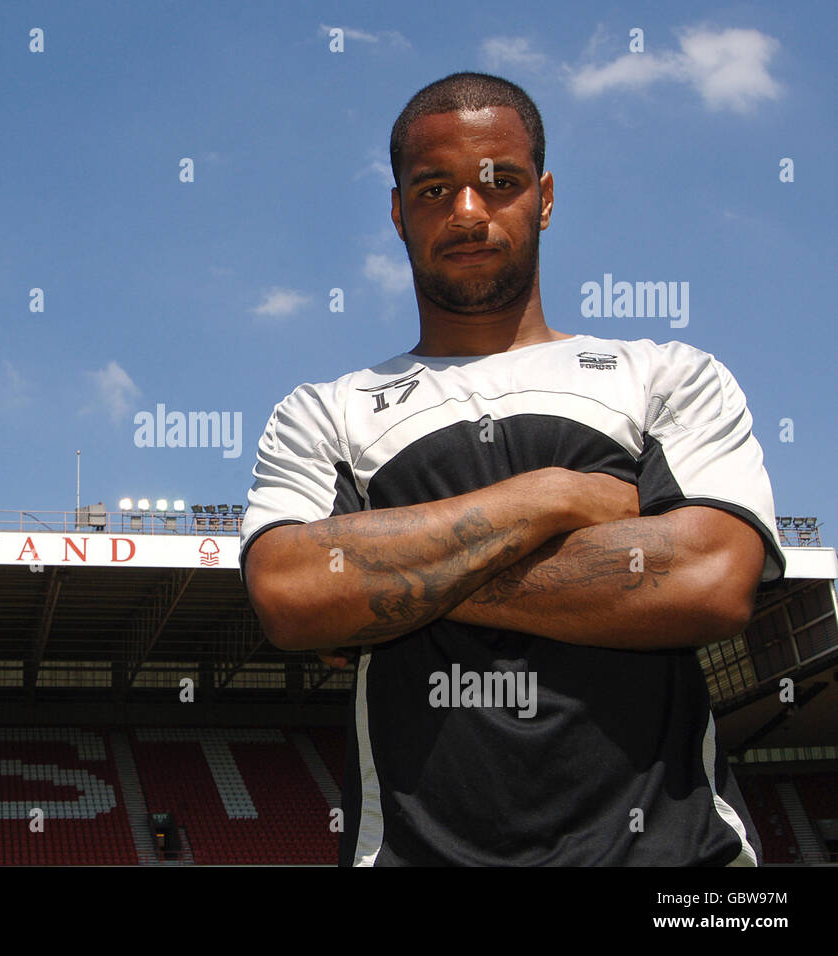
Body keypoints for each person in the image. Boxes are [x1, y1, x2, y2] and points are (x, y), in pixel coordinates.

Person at [238, 72, 785, 866]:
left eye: (500, 181)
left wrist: (394, 594)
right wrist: (554, 497)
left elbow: (709, 579)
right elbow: (293, 595)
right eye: (433, 189)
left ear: (546, 197)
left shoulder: (665, 375)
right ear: (397, 213)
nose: (467, 211)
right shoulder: (327, 411)